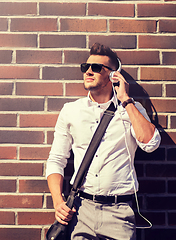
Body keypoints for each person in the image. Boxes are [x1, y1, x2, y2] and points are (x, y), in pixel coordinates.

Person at [46, 43, 161, 240]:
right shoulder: (71, 111)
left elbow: (150, 144)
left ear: (113, 75)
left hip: (119, 213)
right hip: (81, 210)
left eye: (97, 68)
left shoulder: (132, 110)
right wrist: (58, 201)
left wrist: (125, 99)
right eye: (86, 67)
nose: (89, 71)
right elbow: (56, 160)